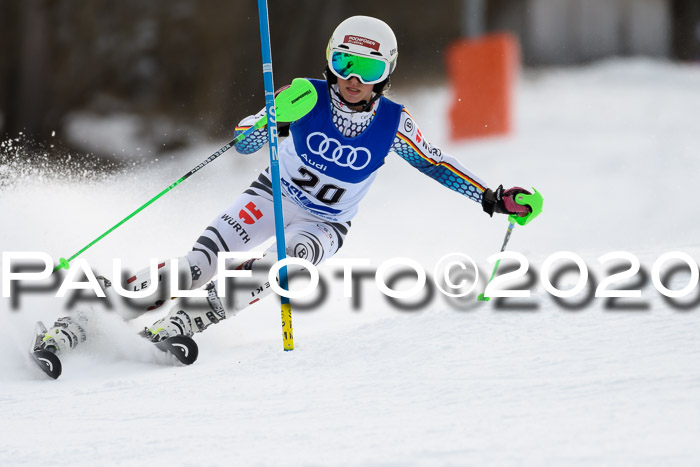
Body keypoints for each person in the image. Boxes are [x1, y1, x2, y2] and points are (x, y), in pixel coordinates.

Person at [36, 16, 531, 355]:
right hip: (268, 196)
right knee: (198, 263)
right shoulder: (305, 96)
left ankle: (192, 319)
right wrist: (275, 117)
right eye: (344, 64)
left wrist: (492, 197)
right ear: (330, 61)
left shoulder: (396, 124)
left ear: (386, 74)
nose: (353, 79)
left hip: (325, 224)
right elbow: (244, 143)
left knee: (283, 266)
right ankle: (94, 314)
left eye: (369, 69)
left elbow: (437, 164)